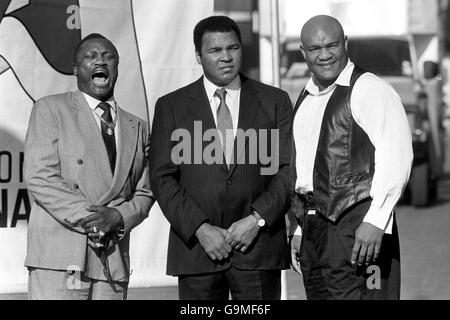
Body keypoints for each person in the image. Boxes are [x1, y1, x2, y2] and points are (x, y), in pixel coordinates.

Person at [149, 16, 292, 300]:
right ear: (198, 56)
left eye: (233, 48)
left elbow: (287, 169)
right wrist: (200, 229)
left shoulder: (274, 101)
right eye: (215, 50)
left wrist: (257, 220)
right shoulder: (172, 107)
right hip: (197, 252)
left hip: (257, 249)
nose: (226, 57)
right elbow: (162, 177)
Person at [288, 15, 413, 300]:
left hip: (357, 225)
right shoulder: (305, 97)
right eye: (316, 49)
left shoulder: (370, 88)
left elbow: (397, 154)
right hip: (314, 229)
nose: (325, 55)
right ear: (303, 52)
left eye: (331, 45)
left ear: (345, 43)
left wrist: (376, 219)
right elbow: (304, 171)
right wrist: (298, 230)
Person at [24, 33, 154, 300]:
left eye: (108, 56)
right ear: (75, 69)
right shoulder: (50, 109)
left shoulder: (137, 126)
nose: (100, 61)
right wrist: (94, 220)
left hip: (112, 260)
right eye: (91, 56)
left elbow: (146, 191)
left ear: (117, 67)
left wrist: (117, 217)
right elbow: (40, 177)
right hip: (60, 257)